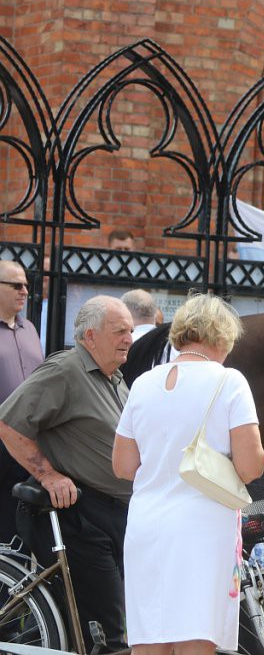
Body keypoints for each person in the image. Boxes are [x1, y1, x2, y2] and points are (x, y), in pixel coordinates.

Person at [111, 293, 264, 654]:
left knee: (149, 636)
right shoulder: (230, 382)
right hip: (203, 527)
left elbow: (122, 466)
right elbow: (250, 466)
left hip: (147, 524)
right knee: (196, 636)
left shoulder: (144, 383)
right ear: (222, 336)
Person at [0, 295, 133, 648]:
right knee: (109, 631)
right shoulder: (66, 370)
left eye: (131, 331)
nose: (129, 339)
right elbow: (8, 423)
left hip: (114, 512)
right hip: (78, 515)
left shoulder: (115, 378)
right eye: (120, 331)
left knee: (120, 619)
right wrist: (48, 475)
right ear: (90, 336)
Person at [0, 260, 43, 544]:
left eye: (27, 285)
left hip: (28, 439)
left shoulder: (30, 329)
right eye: (16, 285)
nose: (25, 291)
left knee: (19, 524)